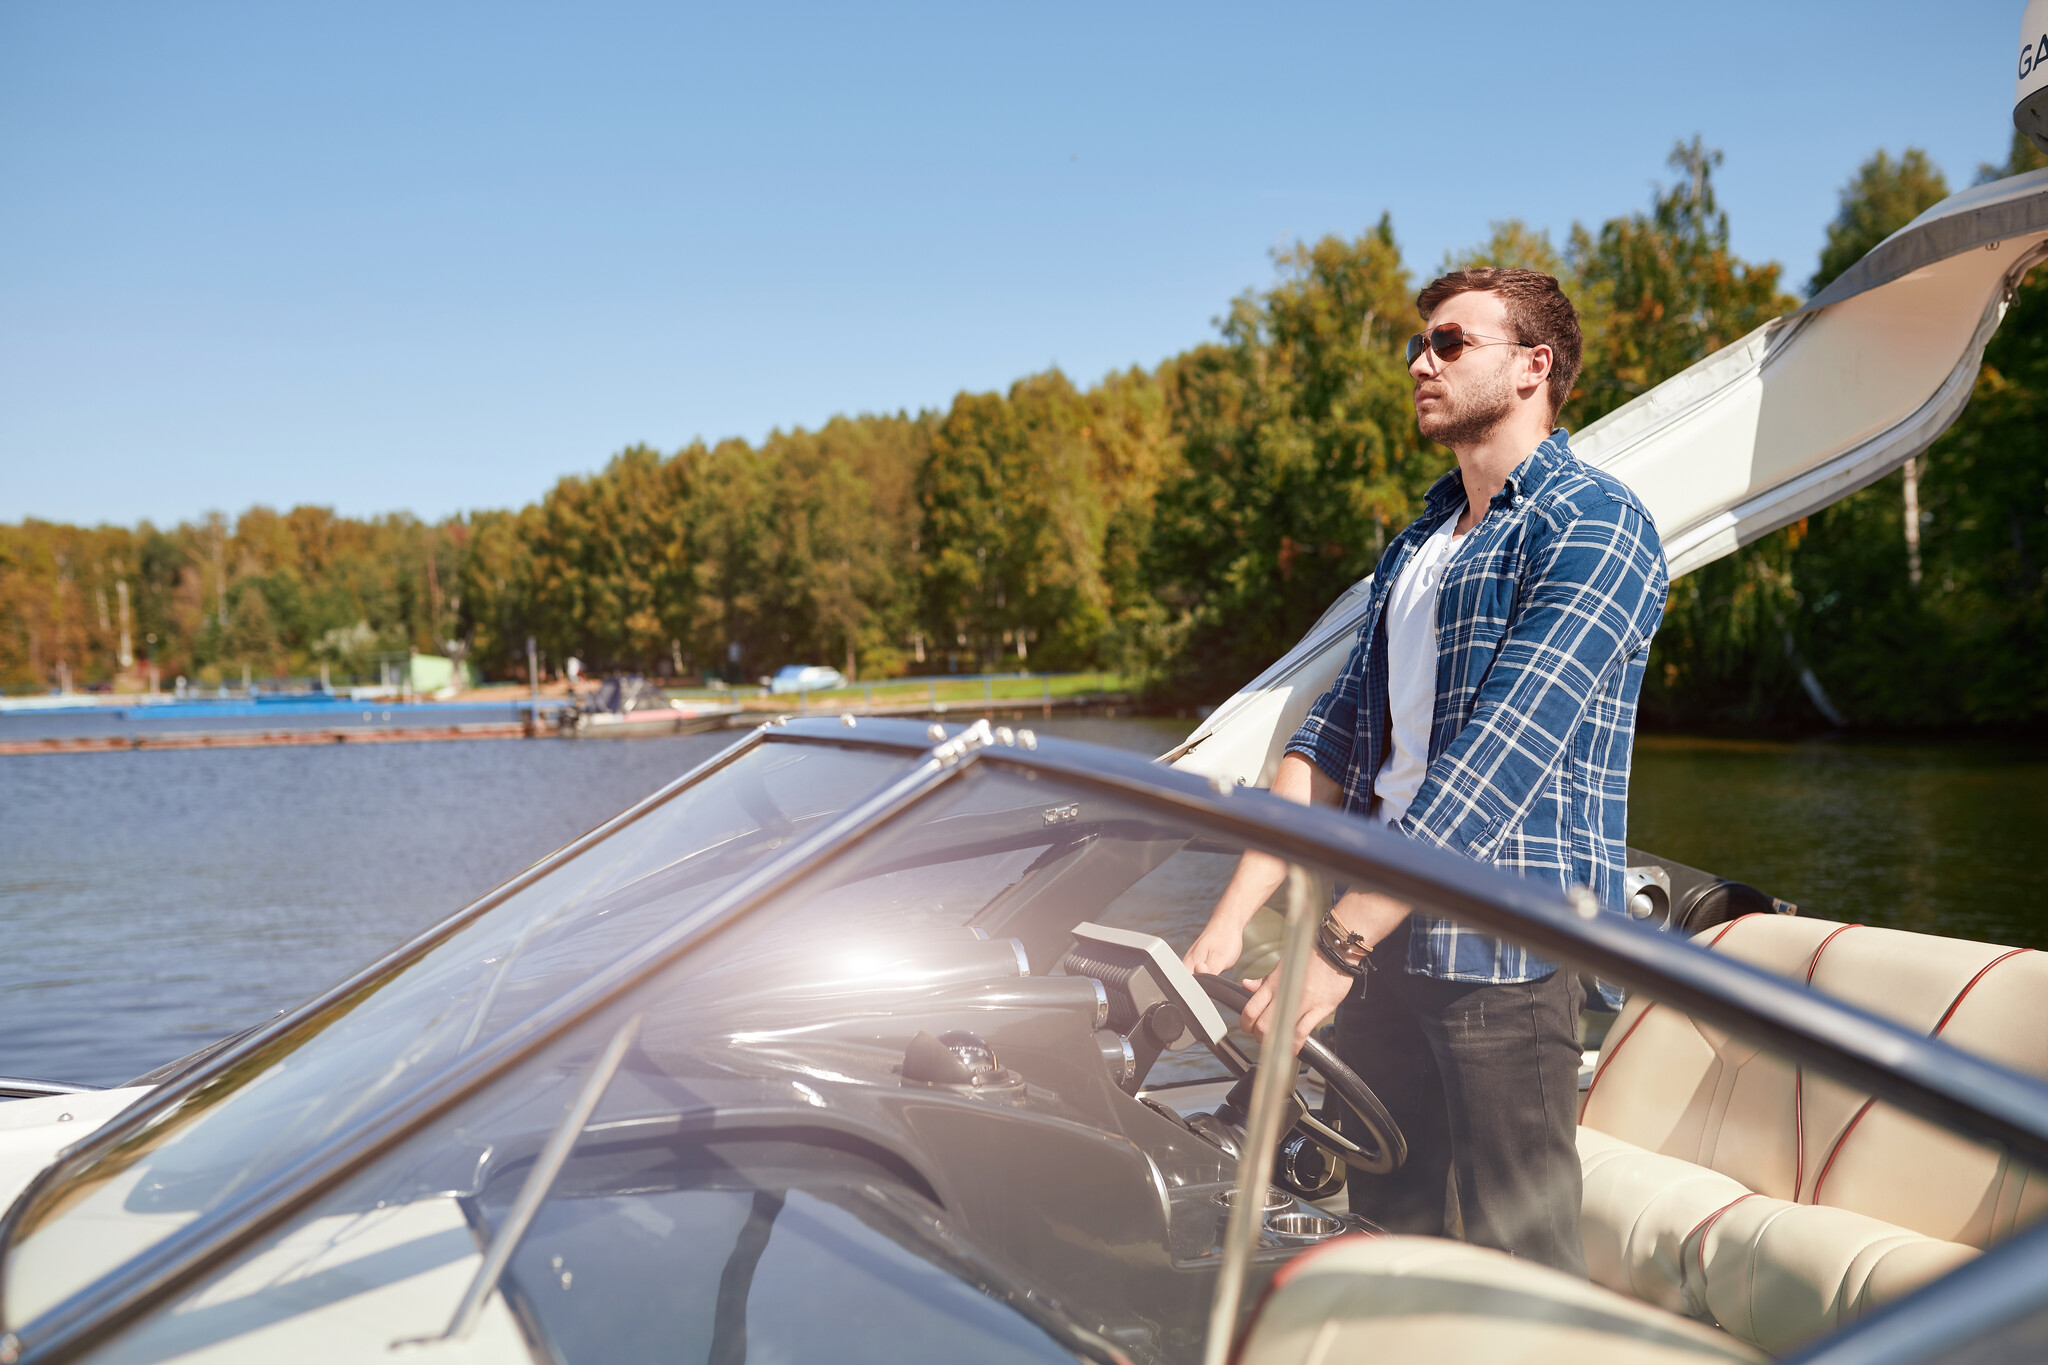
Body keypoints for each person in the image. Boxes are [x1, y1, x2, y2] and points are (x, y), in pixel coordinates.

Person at [1182, 268, 1667, 1275]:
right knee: (1390, 1237)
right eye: (1418, 344)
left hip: (1500, 953)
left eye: (1448, 343)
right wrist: (1230, 921)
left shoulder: (1592, 525)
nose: (1418, 362)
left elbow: (1495, 761)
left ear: (1532, 365)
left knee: (1515, 1260)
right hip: (1378, 942)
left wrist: (1334, 948)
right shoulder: (1417, 543)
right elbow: (1334, 737)